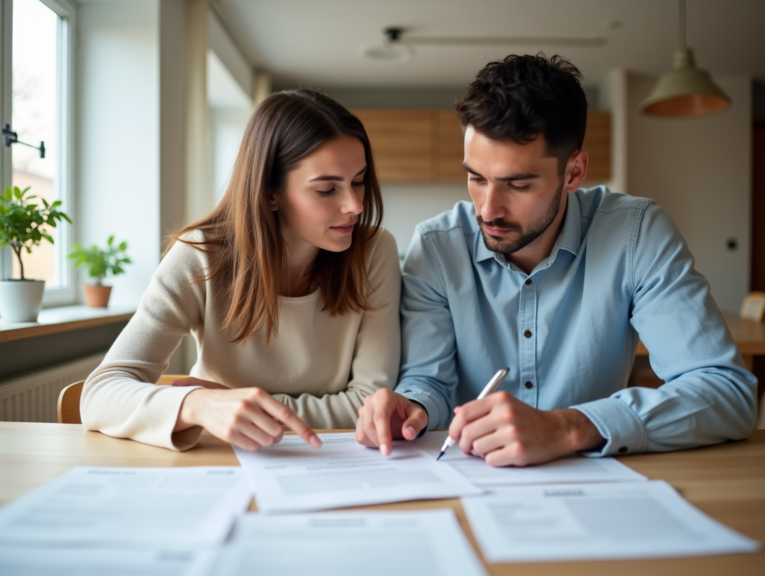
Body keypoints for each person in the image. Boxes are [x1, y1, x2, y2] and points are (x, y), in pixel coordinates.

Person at [355, 54, 757, 466]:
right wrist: (413, 406)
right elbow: (428, 381)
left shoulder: (636, 233)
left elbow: (726, 392)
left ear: (574, 172)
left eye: (518, 184)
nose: (488, 210)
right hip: (474, 475)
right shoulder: (437, 247)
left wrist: (569, 427)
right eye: (476, 178)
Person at [82, 89, 401, 451]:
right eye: (327, 189)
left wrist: (241, 405)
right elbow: (99, 394)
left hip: (333, 456)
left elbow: (370, 406)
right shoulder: (200, 255)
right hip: (218, 453)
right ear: (270, 193)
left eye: (358, 181)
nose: (355, 205)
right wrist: (199, 404)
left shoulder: (375, 252)